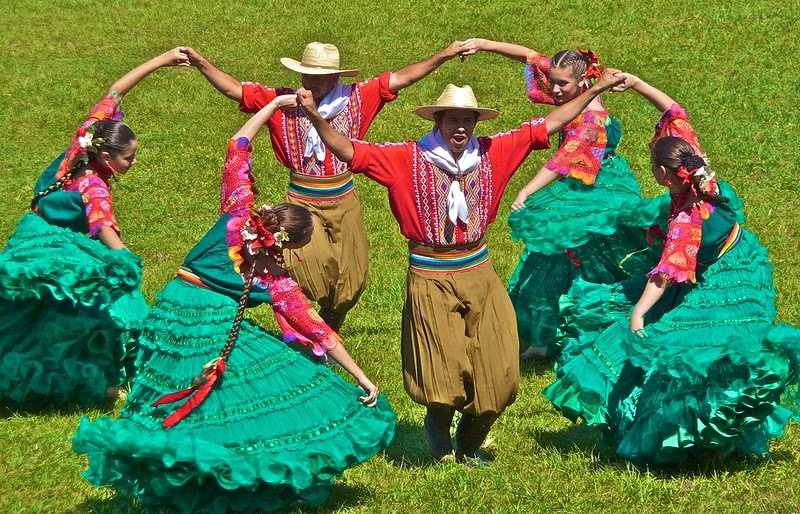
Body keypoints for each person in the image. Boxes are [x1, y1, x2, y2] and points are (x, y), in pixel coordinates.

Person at [73, 95, 396, 513]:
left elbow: (238, 145)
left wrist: (274, 106)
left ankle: (169, 465)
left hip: (172, 305)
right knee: (240, 394)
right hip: (213, 322)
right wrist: (362, 378)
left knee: (174, 389)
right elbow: (319, 331)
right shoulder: (274, 277)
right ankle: (219, 473)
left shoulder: (238, 210)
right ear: (291, 245)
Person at [297, 68, 624, 463]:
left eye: (467, 120)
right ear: (439, 120)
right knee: (443, 371)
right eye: (453, 120)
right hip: (430, 275)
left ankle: (469, 444)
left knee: (500, 372)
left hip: (479, 273)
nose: (461, 128)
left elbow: (553, 122)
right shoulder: (405, 158)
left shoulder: (493, 151)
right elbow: (348, 150)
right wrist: (314, 116)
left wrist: (598, 87)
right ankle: (438, 435)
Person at [542, 73, 800, 464]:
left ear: (664, 174)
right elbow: (674, 111)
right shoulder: (699, 169)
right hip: (744, 256)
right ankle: (715, 433)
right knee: (709, 346)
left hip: (731, 278)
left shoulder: (686, 220)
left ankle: (697, 432)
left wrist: (638, 315)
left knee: (686, 347)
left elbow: (665, 274)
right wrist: (638, 84)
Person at [181, 41, 468, 331]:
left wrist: (443, 55)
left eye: (319, 77)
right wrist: (200, 62)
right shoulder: (284, 101)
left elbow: (402, 78)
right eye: (307, 75)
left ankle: (331, 321)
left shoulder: (356, 97)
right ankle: (303, 324)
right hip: (302, 199)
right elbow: (235, 90)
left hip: (343, 198)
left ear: (335, 78)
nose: (311, 83)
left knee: (352, 276)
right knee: (304, 266)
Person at [0, 49, 189, 408]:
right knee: (116, 312)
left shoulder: (86, 139)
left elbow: (116, 90)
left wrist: (162, 60)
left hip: (32, 238)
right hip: (63, 250)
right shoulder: (94, 187)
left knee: (30, 311)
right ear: (106, 157)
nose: (134, 162)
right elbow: (104, 229)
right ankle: (100, 381)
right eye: (128, 157)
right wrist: (127, 262)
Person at [459, 39, 667, 359]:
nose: (554, 90)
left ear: (583, 81)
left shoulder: (591, 119)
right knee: (551, 255)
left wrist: (527, 190)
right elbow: (529, 56)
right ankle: (543, 338)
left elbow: (564, 161)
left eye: (562, 85)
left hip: (596, 190)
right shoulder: (570, 84)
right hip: (579, 182)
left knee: (584, 257)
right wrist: (483, 44)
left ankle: (585, 329)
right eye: (553, 82)